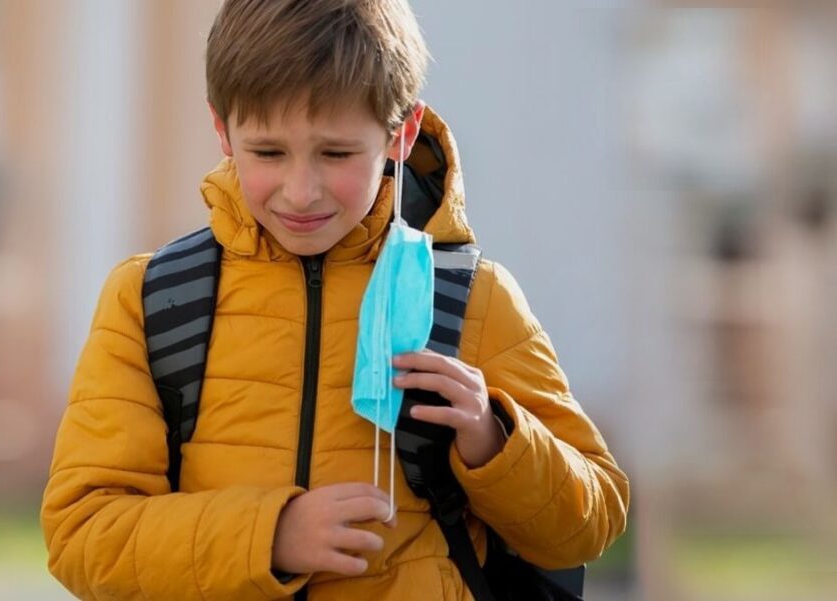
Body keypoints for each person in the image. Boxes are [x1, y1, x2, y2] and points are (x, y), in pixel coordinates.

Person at [40, 1, 630, 599]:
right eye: (268, 153)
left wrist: (494, 438)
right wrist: (271, 536)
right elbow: (82, 534)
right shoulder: (150, 300)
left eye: (337, 154)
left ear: (400, 132)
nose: (301, 191)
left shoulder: (472, 298)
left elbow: (590, 525)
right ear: (222, 131)